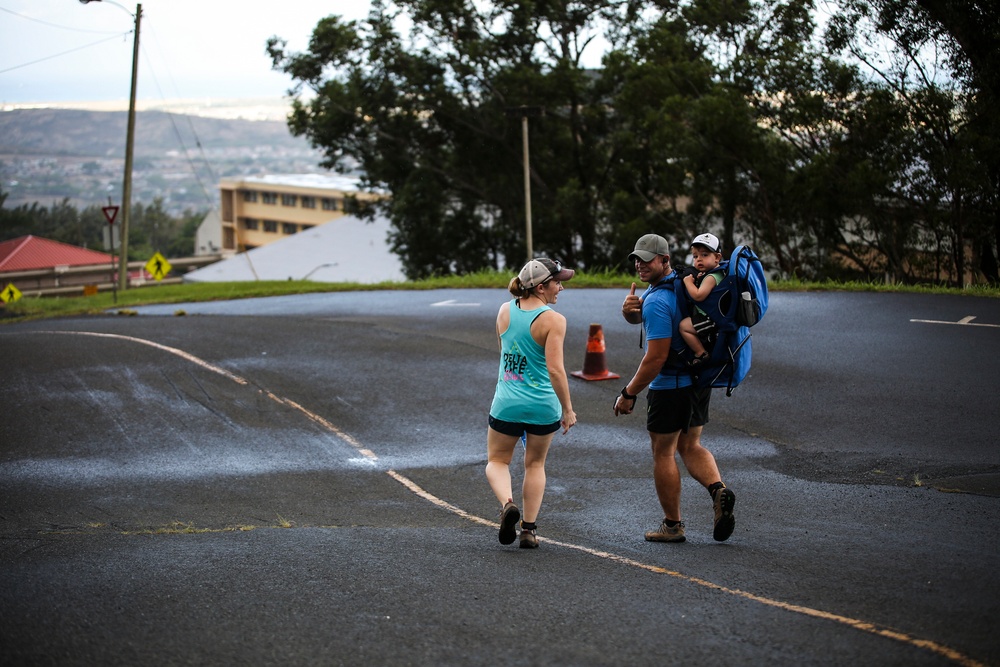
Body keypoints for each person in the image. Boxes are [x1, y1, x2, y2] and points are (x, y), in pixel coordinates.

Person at [613, 233, 736, 543]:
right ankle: (718, 491)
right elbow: (660, 318)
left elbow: (656, 358)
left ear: (664, 260)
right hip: (699, 378)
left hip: (670, 387)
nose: (640, 265)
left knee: (663, 453)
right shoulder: (682, 282)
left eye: (647, 259)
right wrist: (630, 313)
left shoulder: (656, 299)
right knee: (690, 445)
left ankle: (672, 525)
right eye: (636, 259)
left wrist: (628, 394)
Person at [487, 258, 578, 549]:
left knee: (497, 461)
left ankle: (507, 503)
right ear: (541, 287)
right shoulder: (554, 320)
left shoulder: (504, 311)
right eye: (557, 282)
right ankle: (528, 530)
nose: (560, 287)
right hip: (542, 406)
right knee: (535, 464)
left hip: (507, 402)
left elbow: (504, 355)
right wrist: (568, 409)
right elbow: (555, 370)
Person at [679, 233, 726, 365]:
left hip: (711, 319)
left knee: (683, 326)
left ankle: (701, 353)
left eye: (704, 255)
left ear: (717, 258)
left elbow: (699, 296)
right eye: (695, 256)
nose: (699, 259)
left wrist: (688, 282)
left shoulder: (711, 277)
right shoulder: (717, 273)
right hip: (713, 316)